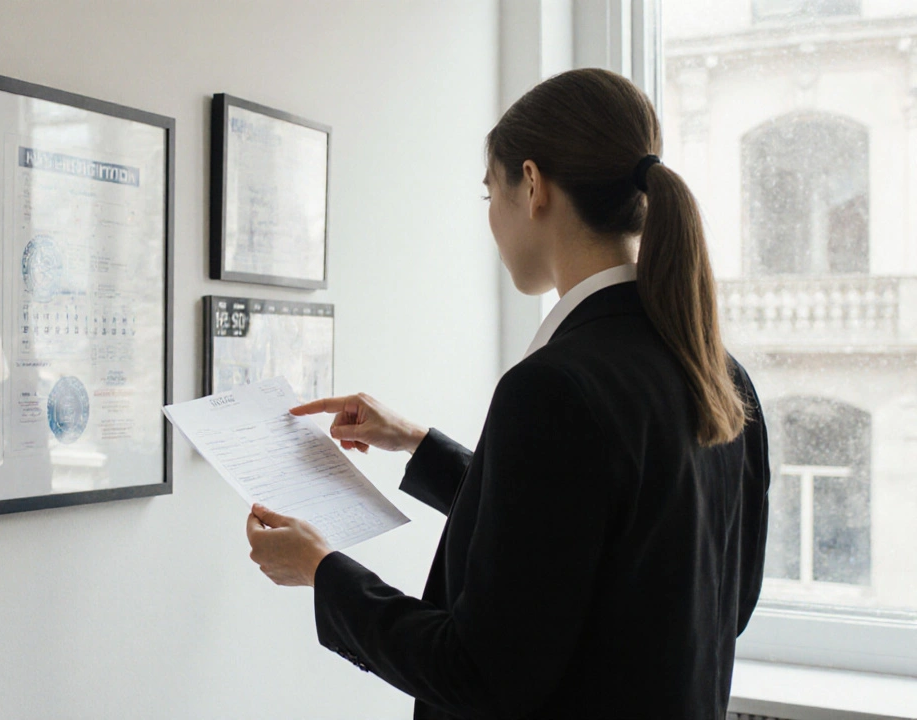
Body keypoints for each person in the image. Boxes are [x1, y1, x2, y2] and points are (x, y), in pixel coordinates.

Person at [245, 68, 770, 720]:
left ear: (532, 184)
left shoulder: (553, 389)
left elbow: (475, 672)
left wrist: (321, 570)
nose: (491, 218)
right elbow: (697, 586)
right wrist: (417, 444)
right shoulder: (721, 375)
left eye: (489, 191)